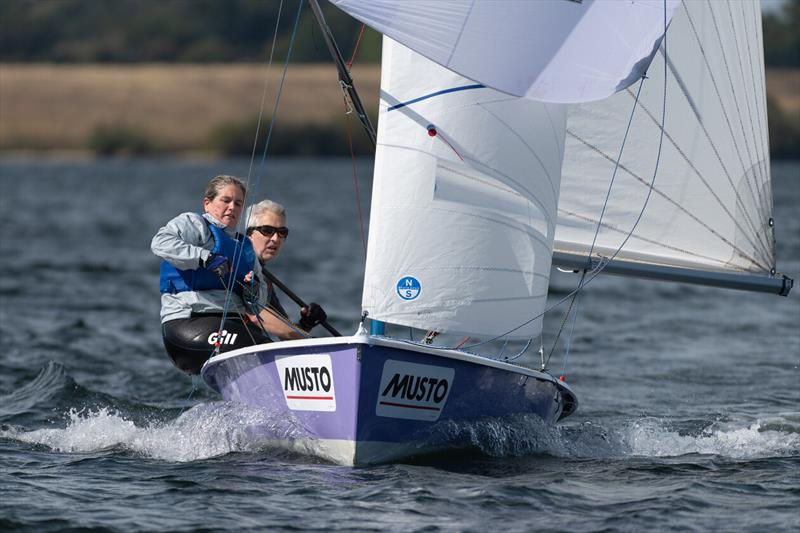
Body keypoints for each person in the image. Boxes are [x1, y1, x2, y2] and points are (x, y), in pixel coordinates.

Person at [151, 175, 302, 375]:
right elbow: (160, 242)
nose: (232, 207)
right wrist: (205, 258)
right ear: (207, 203)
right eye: (226, 200)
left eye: (238, 203)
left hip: (230, 324)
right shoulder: (195, 224)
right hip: (188, 324)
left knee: (271, 350)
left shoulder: (245, 248)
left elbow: (259, 302)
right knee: (262, 352)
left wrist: (252, 290)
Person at [244, 199, 328, 333]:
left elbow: (285, 331)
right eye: (267, 230)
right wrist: (308, 341)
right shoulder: (238, 267)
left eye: (282, 232)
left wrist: (305, 324)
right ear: (249, 234)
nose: (276, 239)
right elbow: (256, 316)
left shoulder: (265, 279)